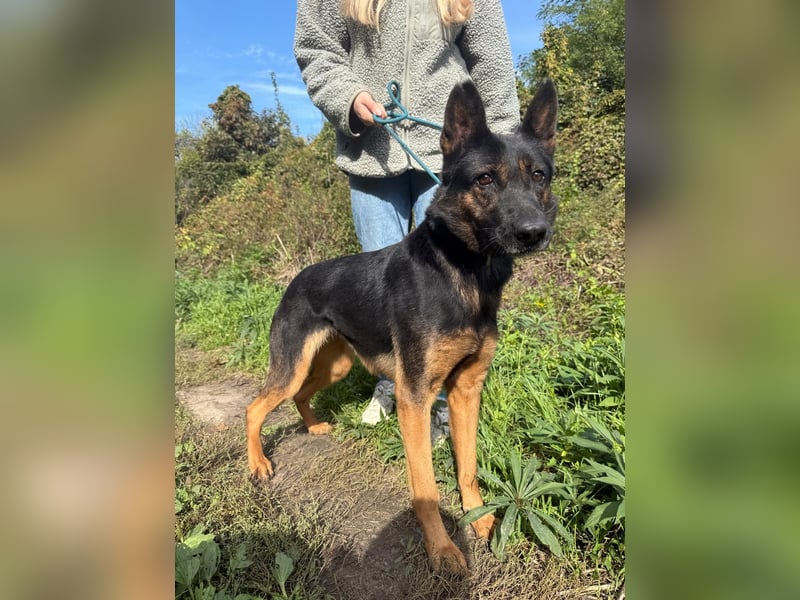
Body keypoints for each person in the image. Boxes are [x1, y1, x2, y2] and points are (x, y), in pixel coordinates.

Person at [294, 0, 520, 433]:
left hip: (453, 157)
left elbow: (490, 59)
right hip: (371, 148)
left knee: (452, 284)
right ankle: (394, 381)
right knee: (387, 286)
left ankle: (442, 393)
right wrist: (350, 95)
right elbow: (316, 48)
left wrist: (502, 152)